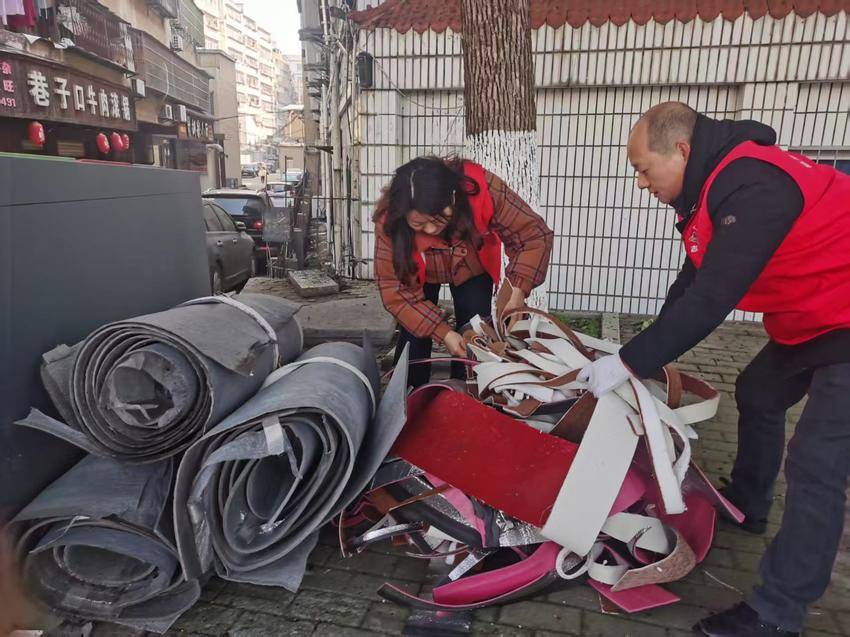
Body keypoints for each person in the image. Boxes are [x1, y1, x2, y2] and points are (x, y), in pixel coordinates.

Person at [578, 102, 850, 636]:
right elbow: (691, 285)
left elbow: (712, 299)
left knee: (817, 462)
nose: (640, 183)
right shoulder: (713, 189)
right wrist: (642, 354)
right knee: (759, 390)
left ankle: (777, 614)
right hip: (816, 316)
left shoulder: (754, 186)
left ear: (681, 151)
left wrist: (630, 362)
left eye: (643, 168)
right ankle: (749, 502)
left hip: (842, 319)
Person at [374, 156, 553, 387]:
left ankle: (466, 392)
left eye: (438, 219)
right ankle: (410, 394)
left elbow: (534, 236)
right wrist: (443, 332)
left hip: (471, 262)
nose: (430, 230)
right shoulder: (390, 221)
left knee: (474, 331)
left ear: (453, 197)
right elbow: (396, 292)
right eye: (418, 224)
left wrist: (518, 290)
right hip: (416, 272)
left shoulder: (482, 189)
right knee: (414, 334)